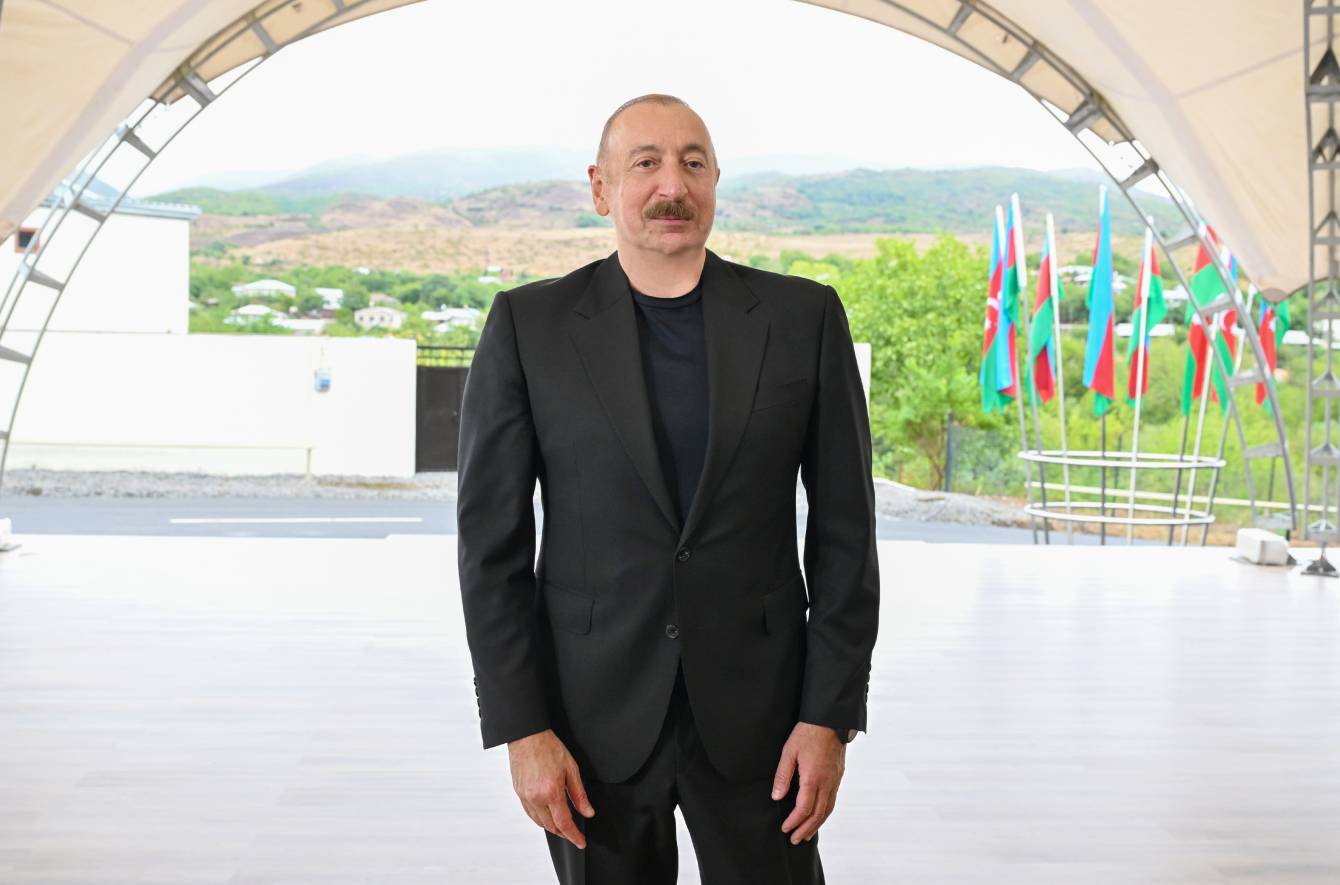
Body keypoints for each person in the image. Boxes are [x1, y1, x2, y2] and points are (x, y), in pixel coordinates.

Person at [456, 93, 880, 884]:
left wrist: (829, 714)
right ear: (600, 186)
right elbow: (491, 550)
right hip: (589, 724)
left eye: (692, 163)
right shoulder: (528, 326)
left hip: (766, 721)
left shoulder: (804, 319)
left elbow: (847, 537)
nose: (671, 185)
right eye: (645, 163)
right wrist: (523, 728)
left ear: (716, 180)